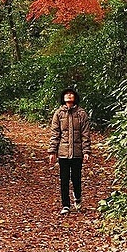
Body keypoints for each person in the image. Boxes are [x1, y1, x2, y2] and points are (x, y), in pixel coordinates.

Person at [48, 86, 91, 214]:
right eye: (66, 94)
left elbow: (85, 133)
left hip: (77, 152)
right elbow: (55, 133)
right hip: (63, 152)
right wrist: (52, 151)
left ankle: (77, 198)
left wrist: (86, 151)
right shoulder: (59, 113)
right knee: (64, 179)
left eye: (71, 94)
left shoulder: (82, 113)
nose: (69, 96)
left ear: (75, 97)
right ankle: (65, 205)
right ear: (63, 98)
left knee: (76, 178)